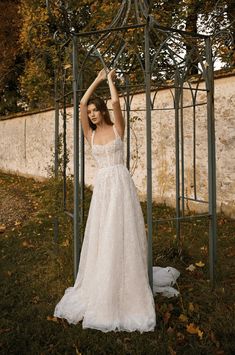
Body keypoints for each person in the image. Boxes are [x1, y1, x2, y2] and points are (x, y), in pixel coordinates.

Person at [53, 68, 179, 333]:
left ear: (103, 111)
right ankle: (104, 280)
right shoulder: (91, 134)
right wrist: (95, 80)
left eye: (95, 111)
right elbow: (81, 103)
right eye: (90, 113)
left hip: (121, 185)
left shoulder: (117, 128)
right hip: (103, 189)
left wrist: (109, 81)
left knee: (124, 232)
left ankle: (128, 282)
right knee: (104, 233)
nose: (92, 114)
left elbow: (116, 103)